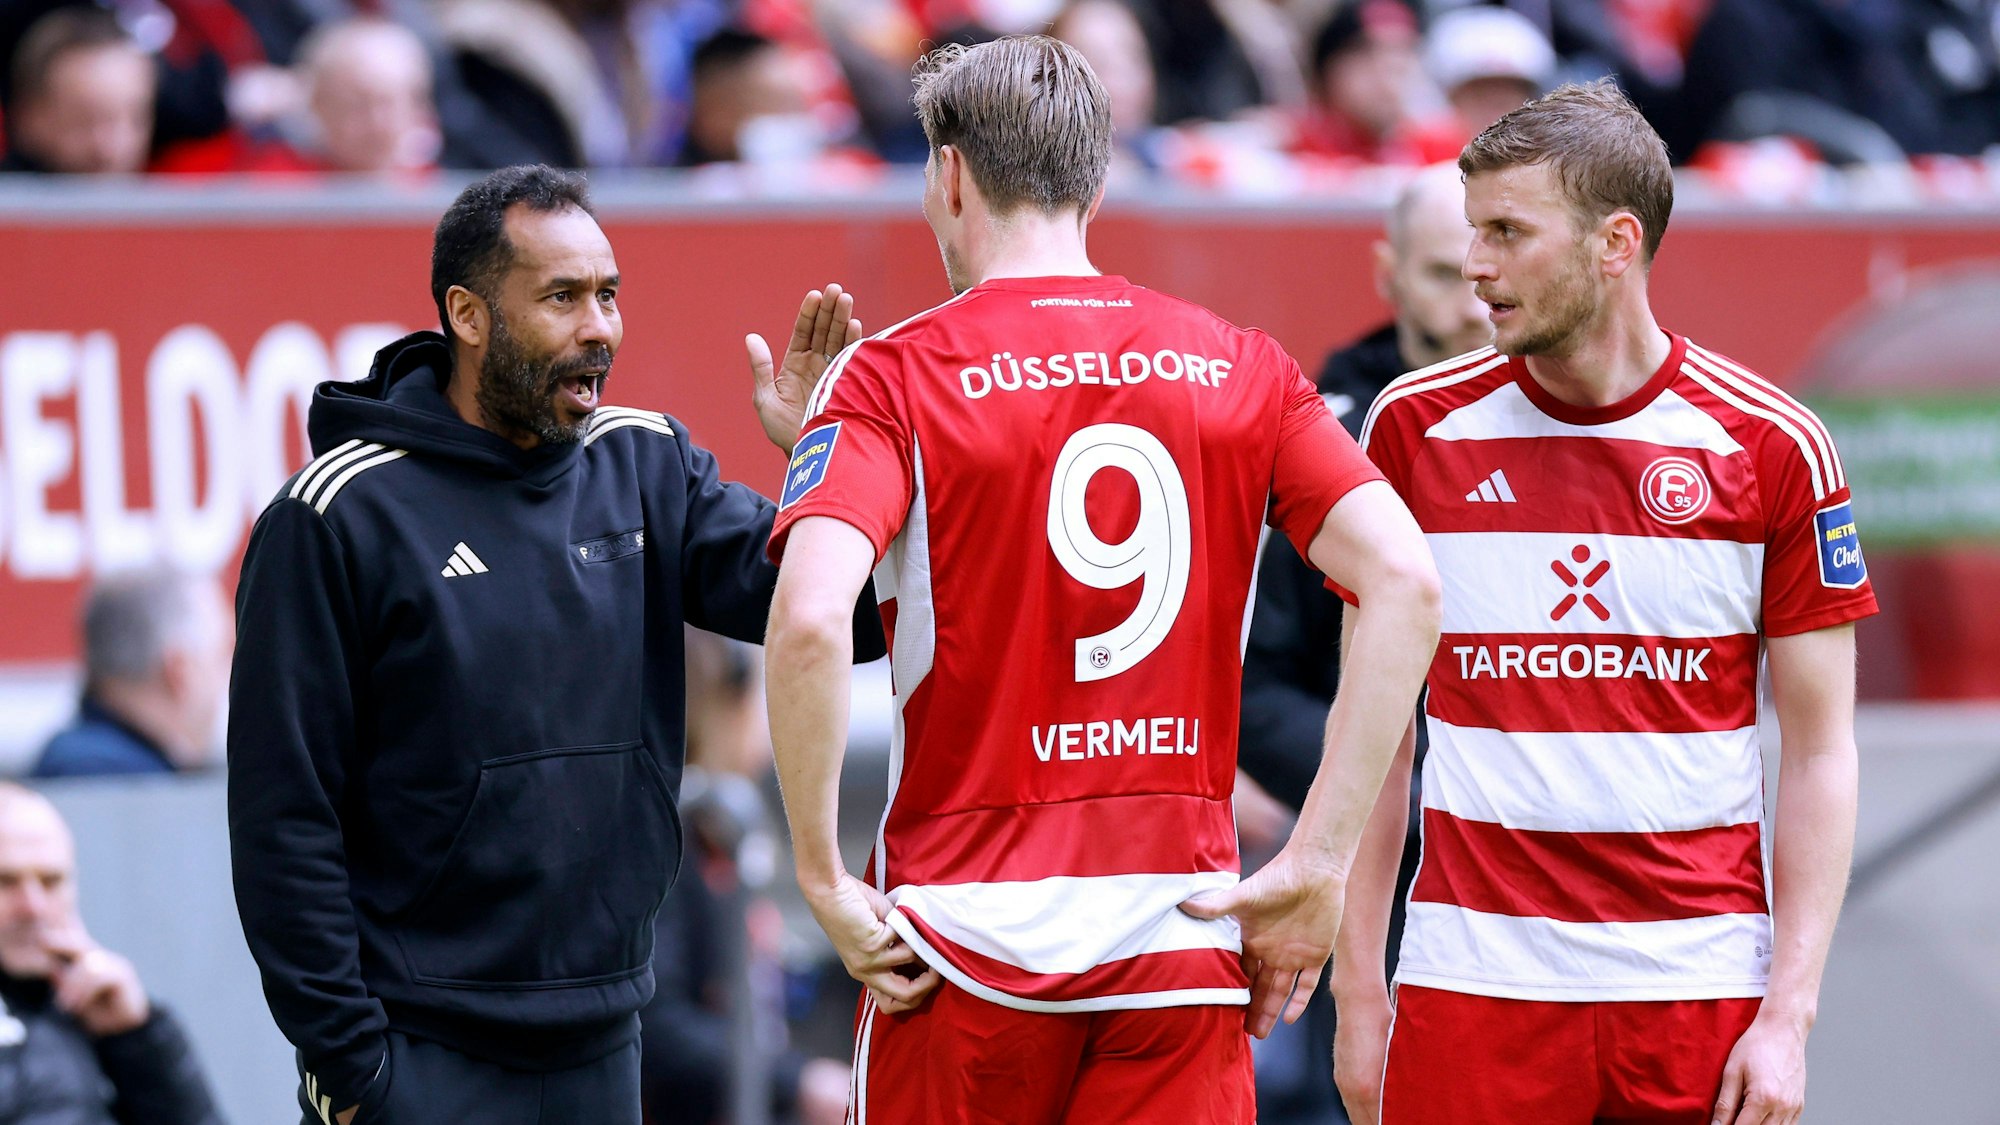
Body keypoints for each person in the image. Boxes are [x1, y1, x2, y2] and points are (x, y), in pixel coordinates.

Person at [762, 37, 1440, 1124]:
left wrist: (820, 879)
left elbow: (804, 624)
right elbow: (1405, 581)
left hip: (959, 945)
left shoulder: (889, 375)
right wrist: (1315, 859)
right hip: (1178, 935)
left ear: (946, 175)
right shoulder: (1237, 362)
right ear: (1097, 176)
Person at [227, 164, 884, 1125]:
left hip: (609, 1044)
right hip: (418, 1055)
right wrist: (355, 1066)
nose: (600, 327)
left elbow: (851, 612)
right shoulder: (336, 516)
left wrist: (822, 460)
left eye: (609, 295)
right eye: (563, 297)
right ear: (469, 313)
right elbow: (283, 820)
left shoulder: (647, 462)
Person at [1330, 81, 1876, 1125]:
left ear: (1613, 244)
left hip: (1695, 992)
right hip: (1469, 980)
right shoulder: (1409, 429)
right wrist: (1360, 992)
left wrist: (1787, 1017)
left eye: (1504, 232)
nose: (1474, 268)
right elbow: (1374, 738)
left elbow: (1817, 752)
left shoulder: (1773, 446)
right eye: (1467, 231)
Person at [1236, 161, 1487, 1125]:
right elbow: (1254, 692)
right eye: (1438, 274)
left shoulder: (1571, 425)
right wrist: (1424, 793)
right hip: (1374, 886)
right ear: (1385, 274)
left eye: (1484, 268)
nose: (1471, 306)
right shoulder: (1315, 448)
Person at [0, 782, 222, 1124]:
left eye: (51, 880)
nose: (33, 906)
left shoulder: (101, 1009)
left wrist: (138, 1037)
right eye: (6, 881)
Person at [33, 570, 234, 779]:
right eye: (222, 657)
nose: (229, 678)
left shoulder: (79, 760)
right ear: (180, 673)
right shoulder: (101, 774)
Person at [1, 6, 154, 175]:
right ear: (27, 117)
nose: (108, 150)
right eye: (83, 121)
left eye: (134, 119)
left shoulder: (176, 188)